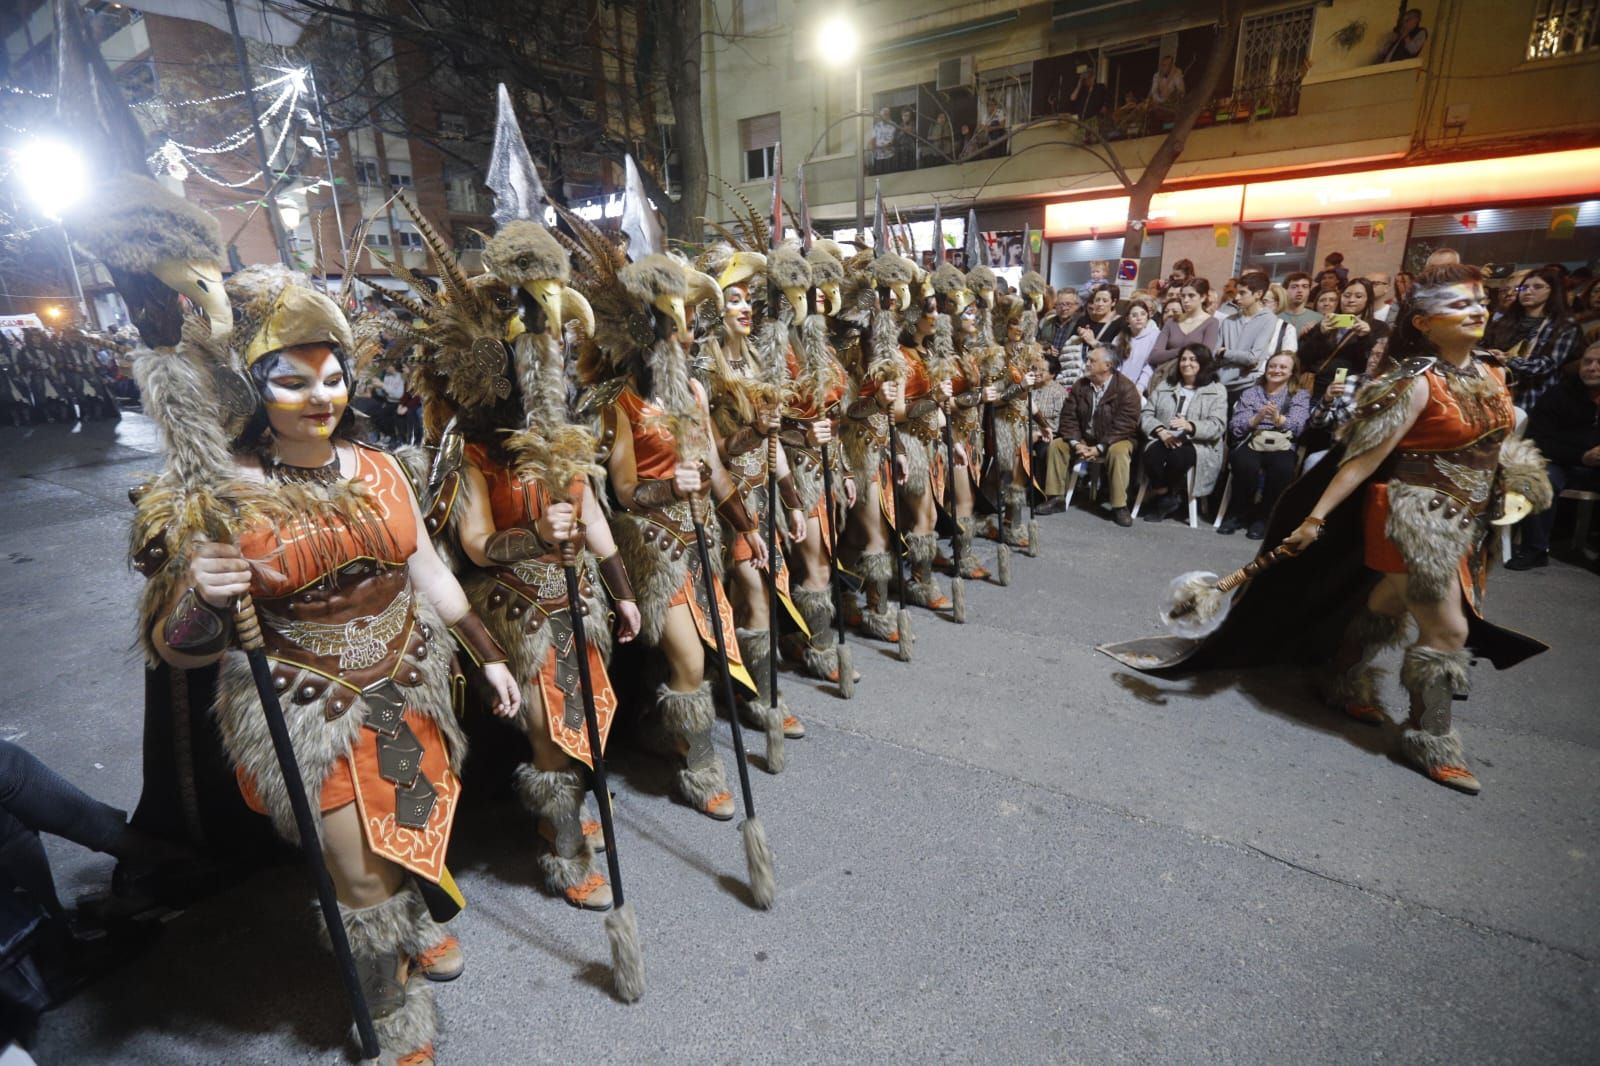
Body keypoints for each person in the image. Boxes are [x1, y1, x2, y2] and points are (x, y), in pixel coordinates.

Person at [138, 267, 521, 1065]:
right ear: (253, 385)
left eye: (335, 376)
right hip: (307, 705)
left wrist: (488, 656)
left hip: (408, 678)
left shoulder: (382, 470)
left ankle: (413, 924)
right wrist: (207, 595)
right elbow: (177, 646)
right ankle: (387, 1014)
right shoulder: (219, 494)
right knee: (355, 873)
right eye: (294, 379)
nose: (322, 395)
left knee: (404, 830)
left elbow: (433, 576)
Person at [1278, 264, 1552, 793]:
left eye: (1479, 302)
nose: (1475, 311)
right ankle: (1432, 739)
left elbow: (1502, 441)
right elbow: (1360, 460)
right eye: (1458, 304)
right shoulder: (1414, 383)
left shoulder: (1494, 372)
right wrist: (1314, 518)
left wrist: (1519, 479)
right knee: (1449, 630)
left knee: (1389, 603)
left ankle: (1339, 676)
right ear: (1423, 322)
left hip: (1467, 519)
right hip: (1411, 517)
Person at [697, 245, 812, 751]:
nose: (745, 309)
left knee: (763, 593)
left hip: (762, 495)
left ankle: (751, 685)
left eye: (749, 301)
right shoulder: (703, 374)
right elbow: (712, 453)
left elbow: (773, 445)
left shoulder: (761, 364)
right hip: (726, 504)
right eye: (734, 299)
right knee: (753, 597)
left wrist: (791, 501)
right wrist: (752, 433)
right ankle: (761, 698)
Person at [1508, 341, 1600, 569]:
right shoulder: (1559, 394)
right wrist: (1582, 455)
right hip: (1560, 461)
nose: (1592, 367)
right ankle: (1535, 550)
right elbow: (1538, 440)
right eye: (1588, 362)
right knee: (1539, 477)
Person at [1038, 346, 1142, 525]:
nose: (1086, 363)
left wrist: (1100, 447)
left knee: (1118, 452)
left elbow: (1125, 425)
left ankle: (1119, 506)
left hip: (1117, 439)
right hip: (1086, 437)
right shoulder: (1081, 385)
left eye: (1092, 361)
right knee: (1057, 446)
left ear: (1107, 365)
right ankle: (1055, 498)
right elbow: (1068, 417)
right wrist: (1075, 443)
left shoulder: (1126, 388)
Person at [1218, 351, 1311, 538]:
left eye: (1283, 367)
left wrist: (1279, 419)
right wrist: (1257, 417)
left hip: (1282, 441)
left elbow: (1299, 426)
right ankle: (1237, 513)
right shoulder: (1252, 392)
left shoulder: (1299, 395)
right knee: (1244, 463)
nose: (1276, 370)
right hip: (1253, 438)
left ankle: (1263, 517)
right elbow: (1236, 426)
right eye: (1272, 366)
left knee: (1282, 468)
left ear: (1292, 372)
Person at [1139, 343, 1227, 523]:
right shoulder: (1166, 385)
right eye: (1184, 359)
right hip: (1166, 435)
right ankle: (1166, 495)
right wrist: (1160, 431)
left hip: (1198, 442)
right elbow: (1146, 414)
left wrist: (1190, 426)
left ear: (1204, 363)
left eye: (1193, 359)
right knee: (1151, 455)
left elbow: (1217, 425)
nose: (1187, 363)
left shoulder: (1216, 390)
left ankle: (1165, 499)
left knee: (1177, 458)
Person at [1298, 278, 1392, 447]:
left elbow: (1376, 363)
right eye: (1347, 295)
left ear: (1368, 300)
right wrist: (1319, 333)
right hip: (1316, 390)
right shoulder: (1328, 322)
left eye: (1358, 296)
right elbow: (1303, 358)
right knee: (1309, 442)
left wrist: (1367, 336)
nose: (1351, 300)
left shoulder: (1378, 327)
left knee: (1336, 446)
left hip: (1349, 394)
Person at [1484, 264, 1583, 412]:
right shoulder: (1504, 321)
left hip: (1533, 398)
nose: (1528, 292)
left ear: (1553, 291)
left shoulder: (1564, 326)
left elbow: (1546, 365)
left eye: (1537, 287)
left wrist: (1508, 360)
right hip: (1495, 393)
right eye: (1524, 288)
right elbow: (1484, 345)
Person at [1216, 272, 1292, 400]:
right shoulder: (1229, 320)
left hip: (1247, 386)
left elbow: (1252, 358)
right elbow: (1214, 355)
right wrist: (1235, 356)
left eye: (1243, 293)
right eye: (1237, 292)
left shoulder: (1268, 319)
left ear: (1258, 294)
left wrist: (1225, 353)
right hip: (1220, 384)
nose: (1237, 297)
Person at [1149, 278, 1220, 374]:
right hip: (1167, 376)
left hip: (1194, 379)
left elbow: (1205, 357)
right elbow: (1154, 356)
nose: (1186, 300)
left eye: (1191, 296)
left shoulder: (1211, 323)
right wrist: (1183, 351)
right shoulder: (1172, 321)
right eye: (1183, 296)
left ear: (1203, 297)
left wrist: (1170, 353)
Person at [1064, 283, 1125, 384]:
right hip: (1079, 373)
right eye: (1097, 300)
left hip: (1102, 376)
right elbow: (1069, 346)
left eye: (1105, 301)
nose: (1100, 304)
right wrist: (1077, 339)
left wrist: (1092, 341)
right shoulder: (1084, 320)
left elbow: (1117, 354)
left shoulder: (1120, 323)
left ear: (1113, 302)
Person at [1116, 299, 1160, 392]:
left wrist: (1140, 388)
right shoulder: (1120, 337)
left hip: (1140, 390)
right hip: (1118, 389)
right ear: (1127, 319)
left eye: (1143, 314)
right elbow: (1114, 363)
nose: (1139, 318)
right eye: (1134, 315)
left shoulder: (1155, 335)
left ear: (1148, 316)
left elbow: (1151, 365)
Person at [1037, 289, 1081, 371]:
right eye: (1060, 304)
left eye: (1068, 304)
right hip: (1048, 368)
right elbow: (1038, 341)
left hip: (1068, 370)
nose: (1064, 308)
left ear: (1076, 306)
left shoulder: (1080, 324)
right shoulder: (1047, 322)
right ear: (1055, 305)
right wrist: (1046, 348)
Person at [1148, 53, 1185, 121]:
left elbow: (1180, 90)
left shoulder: (1177, 73)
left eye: (1165, 65)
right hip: (1161, 104)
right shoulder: (1156, 75)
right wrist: (1160, 100)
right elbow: (1154, 92)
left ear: (1171, 66)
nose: (1162, 67)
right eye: (1162, 65)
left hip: (1173, 105)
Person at [871, 108, 897, 174]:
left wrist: (888, 145)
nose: (884, 116)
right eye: (883, 115)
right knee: (879, 175)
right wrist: (873, 149)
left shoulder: (893, 125)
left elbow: (893, 139)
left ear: (889, 115)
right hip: (878, 155)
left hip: (889, 155)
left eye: (886, 114)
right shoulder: (876, 126)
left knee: (889, 175)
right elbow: (873, 138)